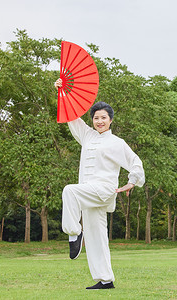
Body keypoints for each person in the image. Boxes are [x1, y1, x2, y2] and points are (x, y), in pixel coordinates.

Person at [55, 78, 145, 290]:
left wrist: (132, 182)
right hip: (87, 192)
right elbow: (71, 117)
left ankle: (73, 232)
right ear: (93, 120)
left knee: (69, 191)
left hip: (103, 190)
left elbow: (135, 162)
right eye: (96, 118)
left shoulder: (116, 143)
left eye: (104, 117)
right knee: (97, 237)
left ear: (111, 120)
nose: (100, 121)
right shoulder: (87, 136)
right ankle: (105, 280)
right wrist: (62, 92)